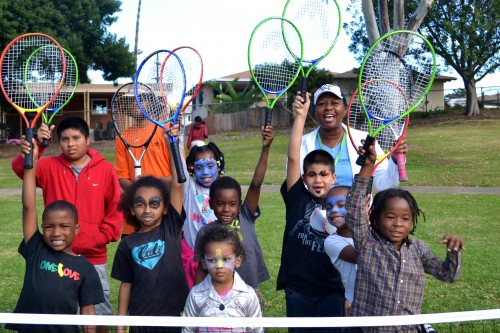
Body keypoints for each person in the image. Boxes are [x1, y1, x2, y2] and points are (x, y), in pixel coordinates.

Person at [11, 117, 122, 326]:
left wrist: (96, 238)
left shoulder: (105, 169)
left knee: (97, 318)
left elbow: (115, 211)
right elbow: (21, 170)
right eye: (64, 139)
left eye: (76, 138)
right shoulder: (49, 165)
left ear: (87, 140)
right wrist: (37, 149)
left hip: (93, 258)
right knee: (57, 312)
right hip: (56, 257)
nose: (70, 144)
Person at [345, 140, 464, 333]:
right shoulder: (367, 242)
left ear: (412, 222)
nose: (398, 224)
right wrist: (367, 167)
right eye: (390, 217)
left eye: (405, 218)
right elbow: (354, 209)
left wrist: (453, 252)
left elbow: (448, 275)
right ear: (374, 219)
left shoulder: (418, 248)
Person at [111, 125, 189, 333]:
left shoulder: (171, 228)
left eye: (154, 204)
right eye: (140, 204)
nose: (147, 209)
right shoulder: (128, 244)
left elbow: (177, 185)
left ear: (165, 208)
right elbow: (125, 286)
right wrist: (120, 325)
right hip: (139, 319)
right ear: (131, 209)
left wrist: (172, 143)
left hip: (172, 317)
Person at [278, 91, 344, 333]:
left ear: (333, 177)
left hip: (333, 290)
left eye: (324, 174)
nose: (318, 180)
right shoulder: (297, 197)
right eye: (312, 174)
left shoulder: (341, 203)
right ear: (304, 178)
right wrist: (301, 116)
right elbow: (293, 156)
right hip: (298, 290)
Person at [192, 126, 274, 313]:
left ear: (239, 204)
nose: (226, 209)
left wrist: (266, 148)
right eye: (220, 204)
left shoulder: (245, 215)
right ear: (211, 204)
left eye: (232, 204)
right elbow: (201, 269)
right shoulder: (206, 232)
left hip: (249, 289)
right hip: (217, 293)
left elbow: (256, 184)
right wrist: (195, 296)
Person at [299, 84, 409, 193]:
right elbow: (295, 190)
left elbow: (385, 186)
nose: (328, 107)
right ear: (314, 111)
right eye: (321, 104)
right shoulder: (301, 144)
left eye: (335, 103)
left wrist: (395, 160)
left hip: (355, 209)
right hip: (314, 210)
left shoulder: (364, 140)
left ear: (345, 109)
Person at [183, 225, 262, 333]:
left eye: (226, 259)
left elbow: (256, 329)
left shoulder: (248, 295)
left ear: (238, 261)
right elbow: (188, 329)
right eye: (212, 260)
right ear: (203, 263)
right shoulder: (196, 295)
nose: (219, 266)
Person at [113, 96, 173, 237]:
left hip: (165, 215)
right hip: (134, 219)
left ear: (152, 103)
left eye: (141, 98)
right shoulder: (123, 136)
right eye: (131, 99)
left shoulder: (167, 132)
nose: (135, 103)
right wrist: (138, 190)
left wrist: (150, 185)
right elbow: (121, 178)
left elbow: (178, 177)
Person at [181, 141, 225, 288]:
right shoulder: (189, 188)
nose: (205, 172)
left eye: (210, 166)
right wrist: (177, 138)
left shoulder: (225, 191)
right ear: (192, 169)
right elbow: (179, 164)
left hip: (219, 260)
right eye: (199, 167)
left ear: (219, 166)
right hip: (193, 261)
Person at [323, 186, 357, 317]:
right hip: (356, 305)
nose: (334, 211)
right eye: (328, 207)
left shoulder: (374, 234)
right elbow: (364, 257)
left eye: (341, 205)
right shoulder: (332, 242)